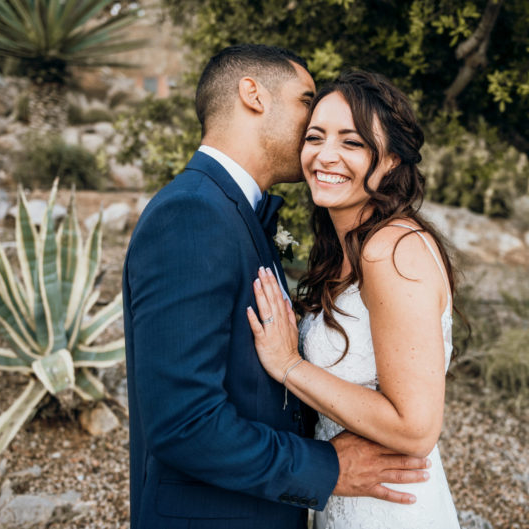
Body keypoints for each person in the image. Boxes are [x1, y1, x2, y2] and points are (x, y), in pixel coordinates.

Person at [122, 45, 432, 529]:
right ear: (253, 95)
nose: (314, 124)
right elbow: (182, 422)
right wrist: (327, 467)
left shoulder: (237, 211)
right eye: (307, 101)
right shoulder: (193, 213)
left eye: (351, 139)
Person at [247, 70, 461, 528]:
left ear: (391, 162)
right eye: (315, 137)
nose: (325, 155)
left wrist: (288, 365)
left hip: (390, 510)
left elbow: (416, 429)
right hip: (346, 499)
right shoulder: (348, 248)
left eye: (352, 143)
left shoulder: (391, 250)